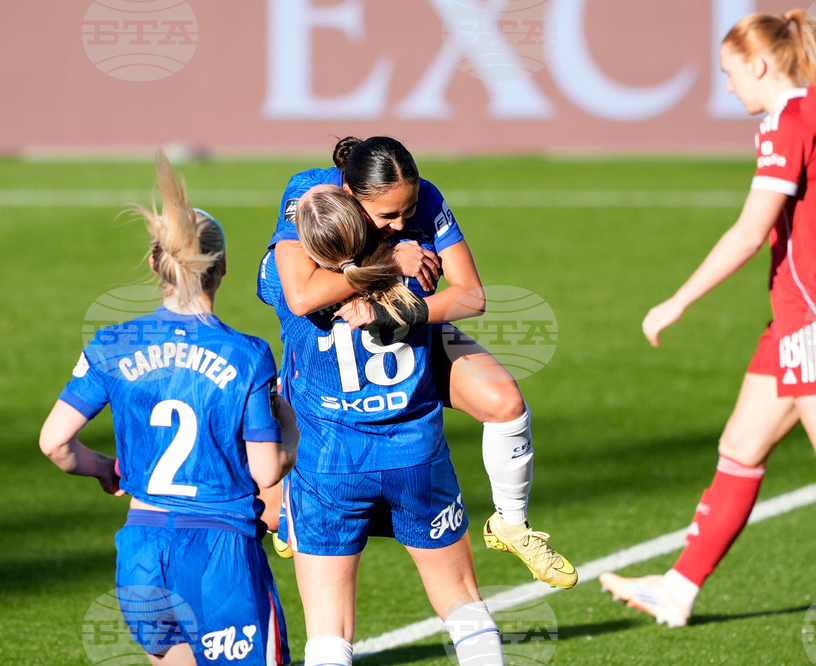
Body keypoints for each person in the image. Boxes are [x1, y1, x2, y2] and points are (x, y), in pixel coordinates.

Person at [599, 9, 816, 634]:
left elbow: (750, 232)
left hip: (815, 312)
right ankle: (677, 590)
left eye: (732, 73)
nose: (730, 87)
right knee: (741, 445)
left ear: (758, 65)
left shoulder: (786, 124)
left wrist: (676, 301)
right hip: (808, 309)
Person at [258, 136, 576, 589]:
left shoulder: (426, 198)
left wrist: (404, 312)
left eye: (408, 211)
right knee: (301, 466)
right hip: (327, 351)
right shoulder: (310, 194)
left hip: (409, 334)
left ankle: (510, 523)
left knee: (506, 404)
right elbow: (302, 295)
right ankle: (291, 502)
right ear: (349, 194)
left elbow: (472, 294)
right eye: (387, 215)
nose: (401, 222)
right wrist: (389, 259)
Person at [39, 153, 298, 666]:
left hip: (142, 552)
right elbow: (266, 469)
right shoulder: (246, 355)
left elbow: (55, 443)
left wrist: (106, 470)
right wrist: (289, 427)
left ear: (156, 264)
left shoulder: (113, 343)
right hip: (220, 554)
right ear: (222, 267)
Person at [261, 184, 505, 666]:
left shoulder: (285, 288)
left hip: (329, 466)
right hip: (415, 456)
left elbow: (296, 282)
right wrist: (397, 257)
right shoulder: (412, 281)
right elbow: (465, 297)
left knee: (329, 633)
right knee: (462, 602)